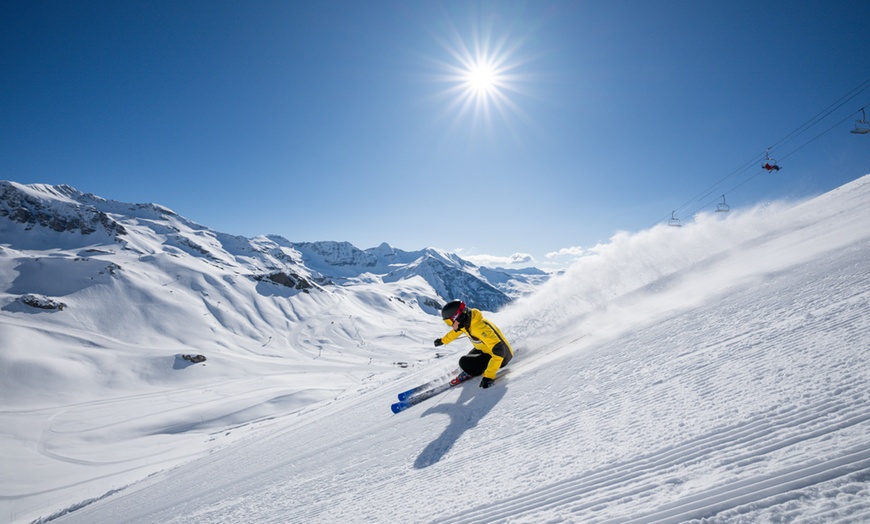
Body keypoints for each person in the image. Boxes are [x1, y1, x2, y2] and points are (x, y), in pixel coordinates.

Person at [433, 300, 514, 388]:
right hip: (488, 350)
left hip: (502, 357)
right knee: (470, 357)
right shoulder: (467, 320)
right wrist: (443, 340)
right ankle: (473, 368)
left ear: (458, 317)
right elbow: (456, 332)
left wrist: (489, 376)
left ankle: (473, 372)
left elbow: (499, 350)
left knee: (463, 362)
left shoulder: (478, 327)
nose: (451, 325)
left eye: (450, 322)